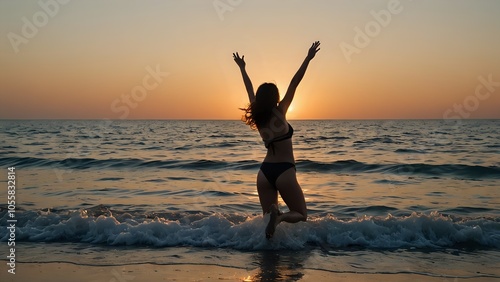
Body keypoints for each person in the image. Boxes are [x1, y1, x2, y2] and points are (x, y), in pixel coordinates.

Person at [233, 41, 320, 238]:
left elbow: (248, 89)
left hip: (264, 173)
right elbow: (294, 82)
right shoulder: (281, 111)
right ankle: (280, 218)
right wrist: (308, 58)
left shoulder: (258, 116)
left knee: (266, 221)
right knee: (300, 213)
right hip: (285, 170)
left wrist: (242, 68)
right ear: (276, 97)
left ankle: (268, 257)